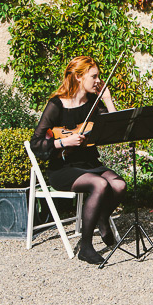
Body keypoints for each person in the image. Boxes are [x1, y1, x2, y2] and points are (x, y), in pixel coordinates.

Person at [30, 56, 126, 265]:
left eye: (99, 76)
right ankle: (86, 246)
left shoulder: (93, 102)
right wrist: (64, 142)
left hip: (89, 164)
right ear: (79, 77)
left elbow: (117, 131)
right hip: (63, 168)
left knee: (119, 185)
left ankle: (101, 217)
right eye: (94, 76)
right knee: (99, 184)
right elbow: (36, 143)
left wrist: (107, 99)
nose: (98, 80)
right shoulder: (56, 104)